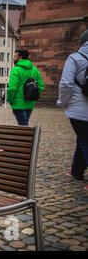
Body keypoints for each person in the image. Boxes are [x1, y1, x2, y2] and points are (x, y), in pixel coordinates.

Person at [58, 30, 88, 181]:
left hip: (79, 109)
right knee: (82, 139)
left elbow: (66, 84)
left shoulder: (75, 58)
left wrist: (62, 102)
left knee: (84, 140)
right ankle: (76, 171)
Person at [7, 49, 44, 126]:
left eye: (15, 56)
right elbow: (40, 86)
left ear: (20, 58)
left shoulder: (16, 70)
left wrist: (10, 100)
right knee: (24, 124)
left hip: (18, 103)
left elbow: (12, 88)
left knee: (23, 126)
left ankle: (25, 137)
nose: (13, 58)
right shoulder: (35, 70)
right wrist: (32, 96)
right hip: (30, 103)